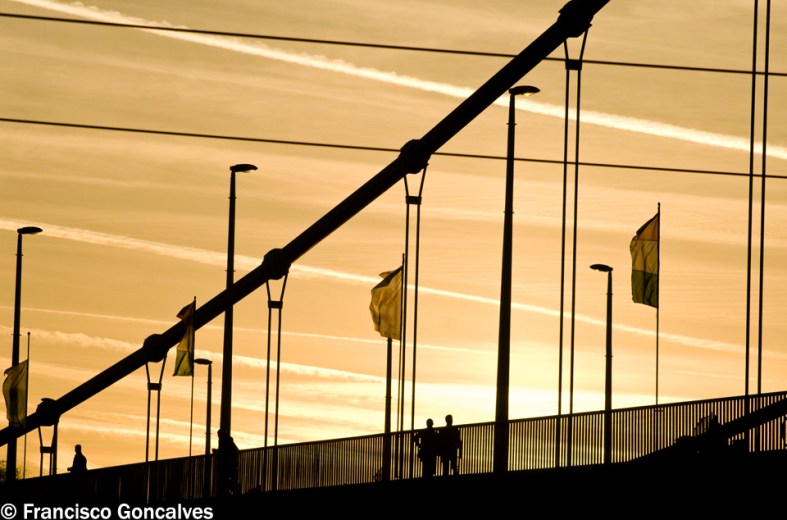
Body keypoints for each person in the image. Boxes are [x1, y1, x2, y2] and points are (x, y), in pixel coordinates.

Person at [217, 429, 240, 495]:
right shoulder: (228, 440)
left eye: (219, 435)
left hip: (228, 464)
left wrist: (218, 452)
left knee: (226, 479)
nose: (218, 436)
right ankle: (232, 490)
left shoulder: (223, 440)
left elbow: (222, 451)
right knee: (230, 479)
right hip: (231, 463)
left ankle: (230, 490)